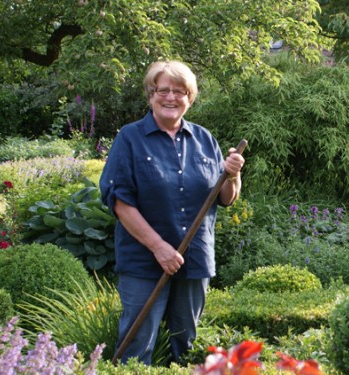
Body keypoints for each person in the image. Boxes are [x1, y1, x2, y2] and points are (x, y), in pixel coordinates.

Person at [99, 60, 245, 364]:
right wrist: (159, 248)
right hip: (144, 262)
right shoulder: (129, 139)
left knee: (186, 345)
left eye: (179, 91)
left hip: (194, 259)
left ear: (189, 98)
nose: (170, 97)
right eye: (163, 90)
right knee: (137, 346)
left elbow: (226, 198)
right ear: (151, 95)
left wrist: (232, 175)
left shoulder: (205, 140)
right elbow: (120, 202)